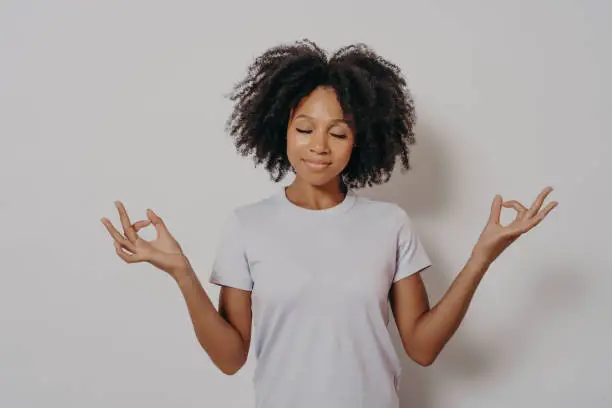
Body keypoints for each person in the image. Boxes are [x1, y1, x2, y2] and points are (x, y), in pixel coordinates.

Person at [100, 39, 558, 408]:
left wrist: (483, 255)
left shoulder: (389, 224)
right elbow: (229, 357)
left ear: (360, 142)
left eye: (338, 132)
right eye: (305, 129)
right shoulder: (247, 225)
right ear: (280, 129)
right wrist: (182, 274)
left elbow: (422, 346)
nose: (319, 145)